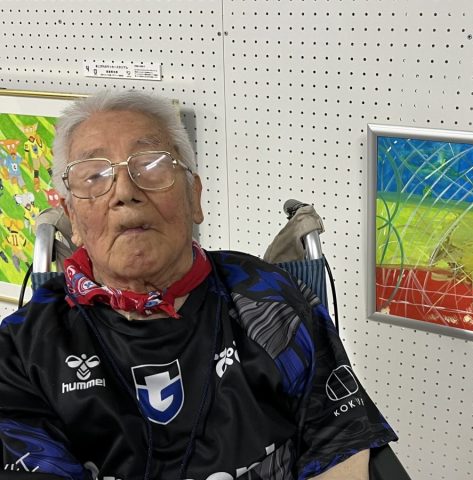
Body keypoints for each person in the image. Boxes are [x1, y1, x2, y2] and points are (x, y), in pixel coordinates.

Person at [0, 90, 397, 480]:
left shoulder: (273, 303)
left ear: (195, 196)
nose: (124, 192)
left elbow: (337, 448)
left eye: (151, 165)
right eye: (94, 176)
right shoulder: (23, 351)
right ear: (71, 216)